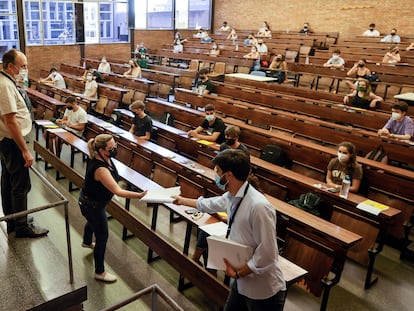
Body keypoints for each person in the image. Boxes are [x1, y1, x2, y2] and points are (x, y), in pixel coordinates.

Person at [173, 149, 286, 311]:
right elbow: (210, 204)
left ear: (229, 175)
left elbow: (268, 253)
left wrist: (239, 273)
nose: (216, 175)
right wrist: (182, 200)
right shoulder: (232, 195)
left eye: (218, 171)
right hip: (241, 281)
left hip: (263, 290)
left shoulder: (259, 206)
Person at [79, 134, 147, 282]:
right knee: (102, 236)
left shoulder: (103, 157)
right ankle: (99, 272)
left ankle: (87, 241)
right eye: (112, 147)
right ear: (103, 150)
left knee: (92, 221)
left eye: (115, 145)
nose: (115, 148)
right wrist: (140, 195)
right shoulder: (101, 169)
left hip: (90, 202)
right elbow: (118, 191)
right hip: (93, 205)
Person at [0, 49, 49, 238]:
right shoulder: (4, 85)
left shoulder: (6, 81)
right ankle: (20, 227)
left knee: (8, 180)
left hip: (6, 141)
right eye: (23, 66)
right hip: (12, 142)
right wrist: (25, 150)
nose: (26, 69)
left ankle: (13, 219)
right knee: (20, 184)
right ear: (11, 66)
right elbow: (11, 121)